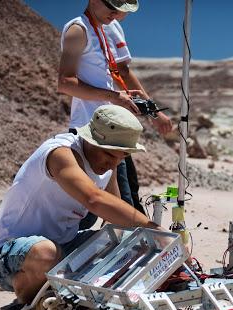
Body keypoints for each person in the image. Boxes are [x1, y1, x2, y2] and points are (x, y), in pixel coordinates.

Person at [0, 105, 160, 304]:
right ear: (90, 140)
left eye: (121, 157)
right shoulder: (60, 153)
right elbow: (94, 199)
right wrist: (154, 228)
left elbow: (114, 215)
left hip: (66, 247)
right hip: (14, 254)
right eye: (109, 155)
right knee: (46, 253)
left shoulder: (107, 167)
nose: (113, 164)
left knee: (134, 243)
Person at [57, 0, 173, 214]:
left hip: (111, 131)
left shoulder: (104, 28)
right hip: (92, 133)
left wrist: (148, 109)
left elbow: (119, 73)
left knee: (128, 198)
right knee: (114, 206)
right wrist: (114, 97)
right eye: (112, 8)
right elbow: (65, 83)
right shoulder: (78, 30)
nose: (117, 14)